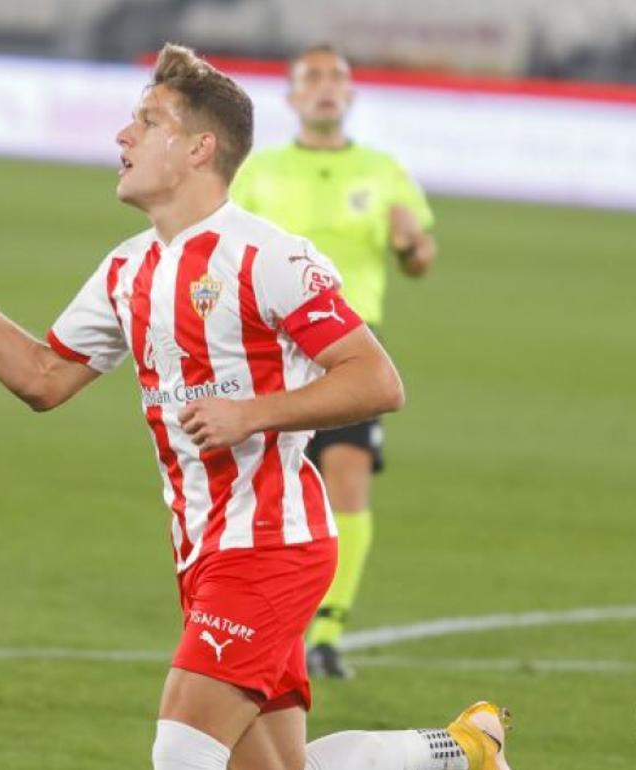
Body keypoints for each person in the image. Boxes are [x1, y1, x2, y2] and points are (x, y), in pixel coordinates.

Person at [0, 43, 508, 770]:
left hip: (271, 544)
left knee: (181, 752)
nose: (122, 136)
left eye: (147, 121)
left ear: (199, 148)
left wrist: (252, 413)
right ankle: (461, 752)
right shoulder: (127, 268)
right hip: (200, 548)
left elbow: (378, 380)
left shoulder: (268, 257)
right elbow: (44, 378)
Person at [230, 43, 437, 679]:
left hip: (349, 345)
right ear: (292, 98)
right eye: (312, 78)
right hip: (271, 344)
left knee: (347, 476)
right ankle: (250, 616)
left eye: (337, 78)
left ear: (349, 96)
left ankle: (327, 631)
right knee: (264, 487)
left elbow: (420, 258)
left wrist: (412, 244)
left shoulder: (384, 171)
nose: (325, 87)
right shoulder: (258, 171)